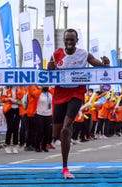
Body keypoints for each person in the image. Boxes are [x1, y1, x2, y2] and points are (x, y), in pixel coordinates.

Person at [48, 28, 110, 179]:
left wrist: (105, 64)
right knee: (56, 134)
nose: (69, 42)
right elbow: (48, 72)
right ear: (64, 41)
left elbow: (98, 64)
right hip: (60, 95)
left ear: (76, 41)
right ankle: (61, 138)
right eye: (67, 40)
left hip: (76, 93)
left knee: (65, 129)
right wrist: (50, 69)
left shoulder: (83, 54)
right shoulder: (56, 54)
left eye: (72, 40)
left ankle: (65, 168)